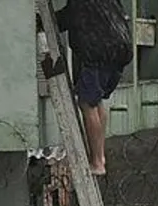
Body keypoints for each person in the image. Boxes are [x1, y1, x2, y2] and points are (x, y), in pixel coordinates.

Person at [55, 0, 134, 176]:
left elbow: (66, 18)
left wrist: (39, 23)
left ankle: (97, 162)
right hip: (119, 49)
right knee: (96, 102)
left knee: (87, 104)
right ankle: (101, 156)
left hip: (97, 51)